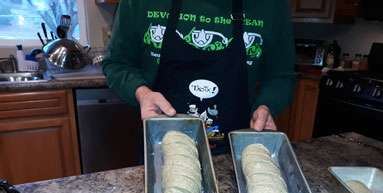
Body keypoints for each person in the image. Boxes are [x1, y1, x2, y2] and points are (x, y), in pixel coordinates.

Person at [103, 0, 296, 153]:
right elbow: (117, 64)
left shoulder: (272, 5)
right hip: (163, 151)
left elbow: (281, 76)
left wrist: (267, 105)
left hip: (238, 155)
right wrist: (142, 93)